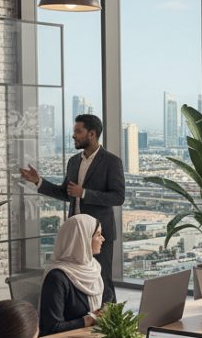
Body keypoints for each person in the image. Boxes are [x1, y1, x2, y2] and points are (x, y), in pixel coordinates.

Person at [20, 113, 125, 299]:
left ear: (92, 134)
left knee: (102, 279)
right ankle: (85, 320)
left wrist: (84, 193)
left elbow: (118, 197)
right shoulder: (73, 161)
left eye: (78, 131)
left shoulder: (111, 161)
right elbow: (64, 193)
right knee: (78, 279)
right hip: (77, 233)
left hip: (98, 233)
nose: (74, 135)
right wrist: (38, 181)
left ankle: (112, 322)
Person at [39, 215, 114, 336]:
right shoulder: (57, 277)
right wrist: (90, 319)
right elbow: (52, 327)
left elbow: (108, 297)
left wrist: (105, 311)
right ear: (83, 239)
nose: (103, 239)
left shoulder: (94, 267)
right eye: (98, 234)